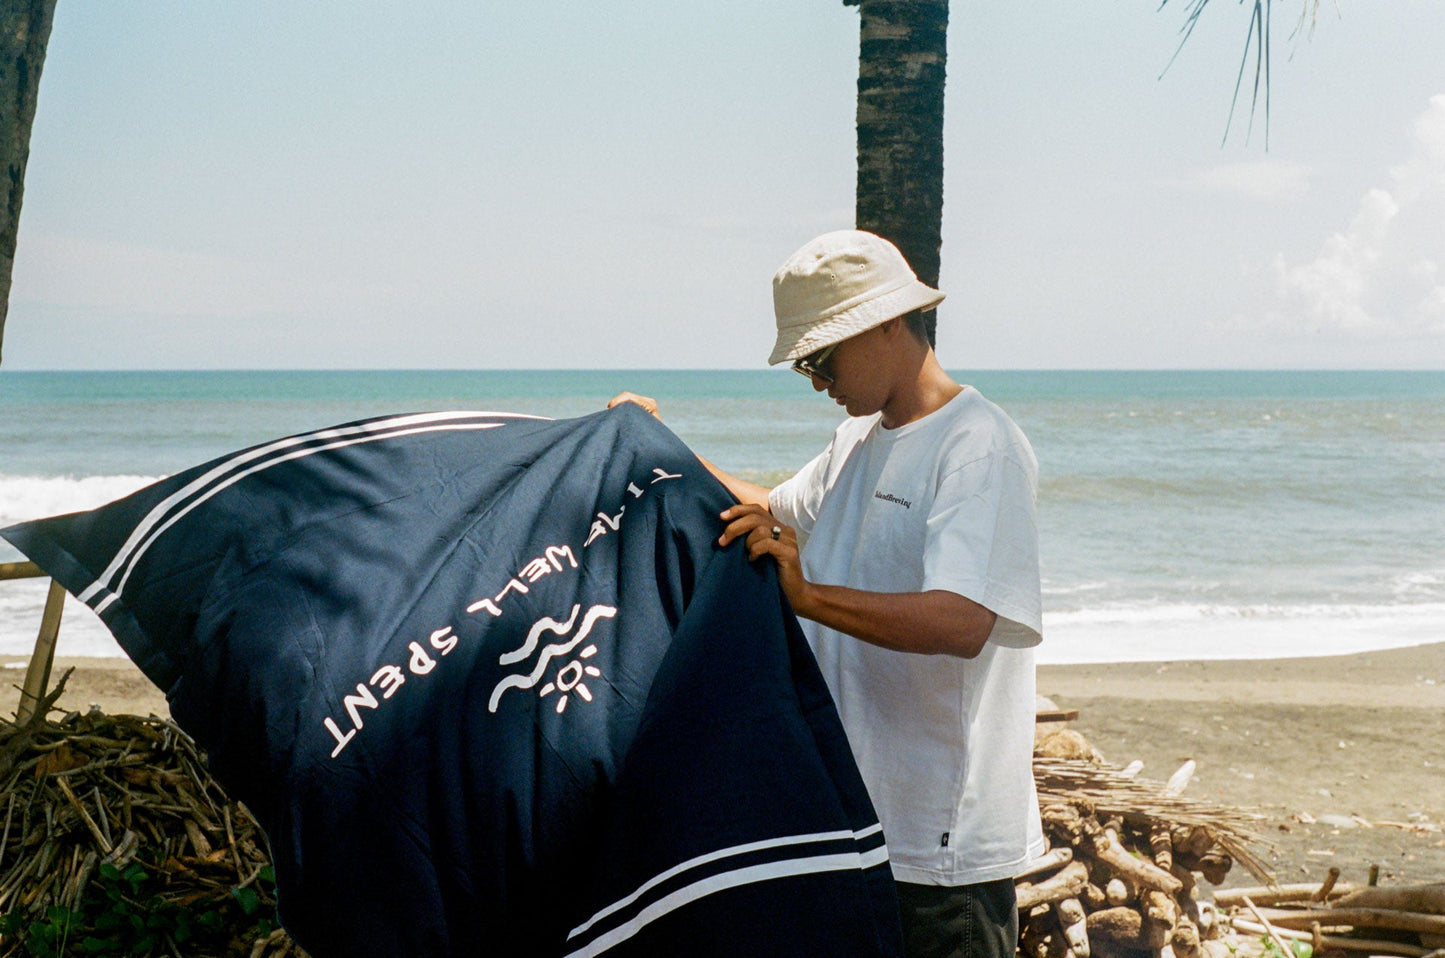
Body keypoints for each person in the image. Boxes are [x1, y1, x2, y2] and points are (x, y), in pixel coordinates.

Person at [609, 229, 1044, 958]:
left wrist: (807, 597)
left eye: (820, 355)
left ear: (884, 323)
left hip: (941, 856)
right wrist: (653, 444)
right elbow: (760, 510)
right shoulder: (857, 443)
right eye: (803, 362)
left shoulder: (977, 445)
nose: (814, 378)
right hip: (855, 826)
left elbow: (963, 619)